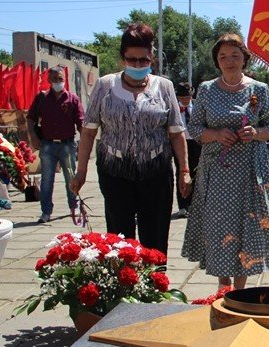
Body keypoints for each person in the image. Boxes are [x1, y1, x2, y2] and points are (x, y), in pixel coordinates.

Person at [70, 22, 191, 254]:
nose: (137, 65)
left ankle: (155, 286)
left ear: (151, 58)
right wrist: (81, 170)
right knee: (119, 238)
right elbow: (88, 131)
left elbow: (176, 133)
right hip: (115, 172)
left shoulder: (164, 87)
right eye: (131, 60)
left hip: (156, 172)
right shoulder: (105, 85)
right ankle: (124, 285)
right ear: (122, 58)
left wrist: (184, 171)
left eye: (143, 61)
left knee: (154, 239)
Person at [182, 34, 269, 291]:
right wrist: (215, 135)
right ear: (216, 60)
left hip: (250, 171)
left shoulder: (259, 89)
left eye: (235, 55)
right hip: (217, 172)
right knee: (218, 226)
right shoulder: (206, 89)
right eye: (223, 56)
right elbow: (193, 127)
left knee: (247, 224)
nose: (229, 61)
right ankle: (222, 288)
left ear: (244, 59)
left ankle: (240, 290)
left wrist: (256, 133)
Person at [27, 65, 84, 224]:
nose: (57, 82)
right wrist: (32, 136)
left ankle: (74, 207)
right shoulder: (42, 98)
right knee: (47, 179)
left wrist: (85, 142)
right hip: (47, 145)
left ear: (64, 79)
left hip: (67, 145)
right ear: (48, 80)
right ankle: (46, 212)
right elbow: (30, 118)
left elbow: (80, 122)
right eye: (54, 79)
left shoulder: (72, 98)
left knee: (71, 178)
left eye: (60, 79)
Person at [173, 82, 201, 217]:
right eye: (182, 97)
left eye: (187, 96)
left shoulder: (198, 106)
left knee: (197, 172)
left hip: (197, 143)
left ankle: (195, 204)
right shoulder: (173, 107)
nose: (185, 99)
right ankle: (183, 205)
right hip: (180, 144)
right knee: (181, 172)